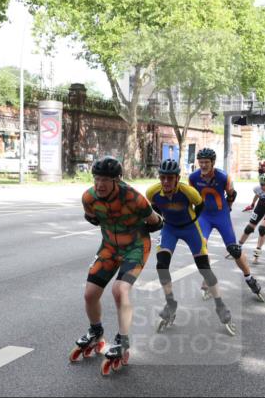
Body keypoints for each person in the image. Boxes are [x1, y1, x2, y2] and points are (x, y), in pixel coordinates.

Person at [77, 156, 163, 376]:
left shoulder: (134, 198)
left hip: (135, 247)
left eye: (106, 179)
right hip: (109, 248)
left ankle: (122, 339)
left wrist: (153, 223)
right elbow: (91, 217)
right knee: (90, 294)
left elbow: (155, 221)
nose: (100, 184)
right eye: (97, 178)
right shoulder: (89, 197)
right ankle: (96, 331)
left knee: (119, 289)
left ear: (117, 180)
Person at [146, 158, 235, 334]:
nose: (165, 182)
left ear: (177, 178)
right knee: (161, 265)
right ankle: (171, 304)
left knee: (204, 269)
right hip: (170, 229)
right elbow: (154, 207)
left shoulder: (189, 192)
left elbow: (200, 206)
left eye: (170, 178)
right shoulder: (152, 192)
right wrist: (164, 218)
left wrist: (192, 220)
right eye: (162, 177)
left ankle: (220, 306)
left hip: (190, 229)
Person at [188, 148, 264, 301]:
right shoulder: (193, 177)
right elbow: (191, 197)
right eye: (201, 162)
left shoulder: (223, 177)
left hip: (221, 215)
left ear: (213, 163)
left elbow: (231, 194)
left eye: (206, 163)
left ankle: (249, 277)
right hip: (204, 216)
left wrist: (228, 207)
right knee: (200, 248)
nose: (203, 165)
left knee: (234, 249)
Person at [239, 172, 265, 263]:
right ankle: (238, 247)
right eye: (262, 184)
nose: (264, 187)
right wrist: (252, 204)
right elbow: (257, 195)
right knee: (249, 228)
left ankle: (258, 251)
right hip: (260, 207)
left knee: (262, 228)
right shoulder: (257, 189)